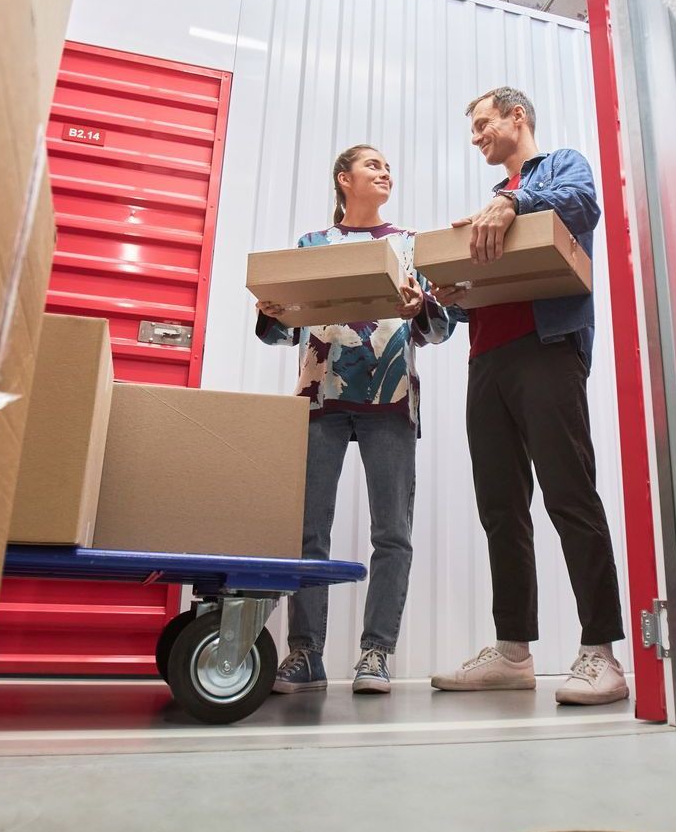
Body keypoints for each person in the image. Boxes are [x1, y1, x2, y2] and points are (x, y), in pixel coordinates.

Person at [429, 87, 629, 706]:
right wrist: (444, 298)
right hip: (485, 359)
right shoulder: (493, 206)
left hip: (546, 352)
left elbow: (583, 204)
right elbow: (482, 293)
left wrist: (513, 199)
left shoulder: (558, 166)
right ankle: (513, 651)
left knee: (570, 496)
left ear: (518, 118)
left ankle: (602, 654)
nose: (476, 137)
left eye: (483, 123)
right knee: (500, 509)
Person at [255, 144, 456, 695]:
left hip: (390, 400)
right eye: (373, 165)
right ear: (344, 179)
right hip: (321, 399)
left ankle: (376, 654)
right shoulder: (311, 246)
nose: (386, 171)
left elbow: (439, 331)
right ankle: (305, 653)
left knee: (392, 534)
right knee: (307, 532)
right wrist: (270, 311)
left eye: (389, 166)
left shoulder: (410, 245)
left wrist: (423, 310)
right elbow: (283, 333)